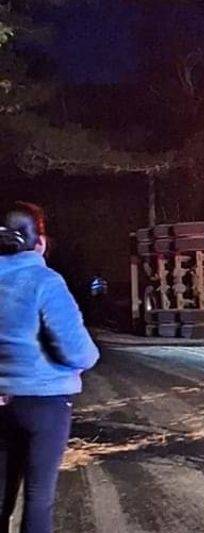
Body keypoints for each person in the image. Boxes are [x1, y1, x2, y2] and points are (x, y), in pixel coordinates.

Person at [0, 201, 100, 533]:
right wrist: (88, 359)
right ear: (38, 240)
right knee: (38, 499)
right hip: (44, 405)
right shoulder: (45, 281)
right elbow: (77, 351)